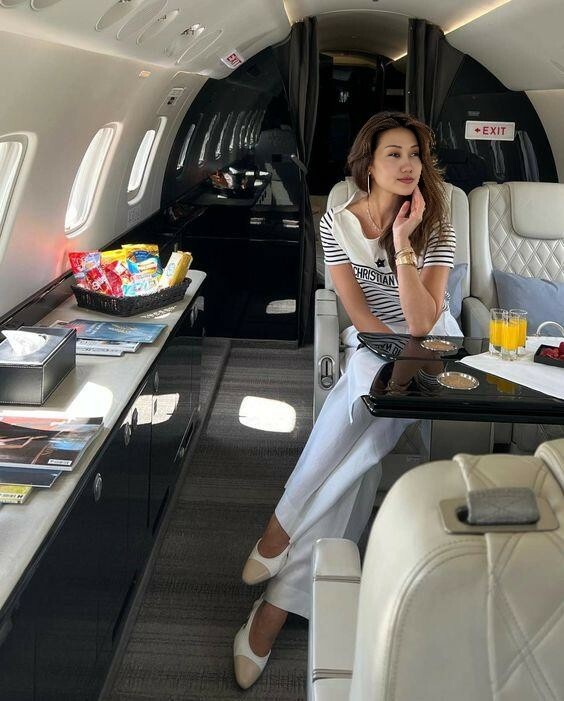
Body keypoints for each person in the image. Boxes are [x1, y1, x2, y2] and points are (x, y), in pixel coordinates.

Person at [233, 111, 461, 689]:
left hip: (431, 347)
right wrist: (386, 357)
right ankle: (274, 608)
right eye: (394, 154)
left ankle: (281, 528)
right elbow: (360, 316)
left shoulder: (438, 222)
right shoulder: (337, 221)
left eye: (415, 154)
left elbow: (423, 322)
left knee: (372, 398)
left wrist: (403, 244)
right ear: (368, 163)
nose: (408, 164)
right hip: (373, 343)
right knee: (361, 462)